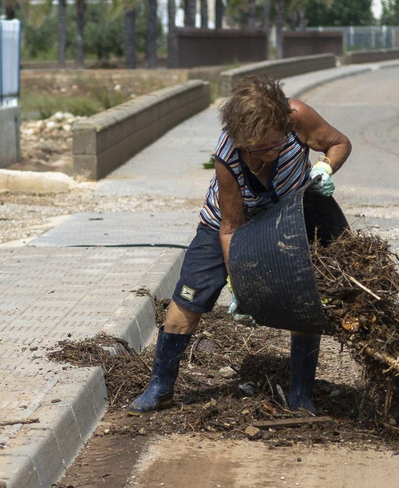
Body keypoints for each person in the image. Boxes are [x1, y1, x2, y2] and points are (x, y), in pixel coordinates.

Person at [131, 76, 352, 415]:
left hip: (287, 219)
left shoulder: (299, 117)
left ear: (284, 125)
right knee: (188, 301)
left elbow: (339, 143)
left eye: (269, 147)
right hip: (226, 224)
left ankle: (300, 395)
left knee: (304, 300)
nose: (258, 158)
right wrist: (239, 284)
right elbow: (231, 228)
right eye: (251, 149)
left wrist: (324, 168)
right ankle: (160, 387)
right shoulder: (228, 157)